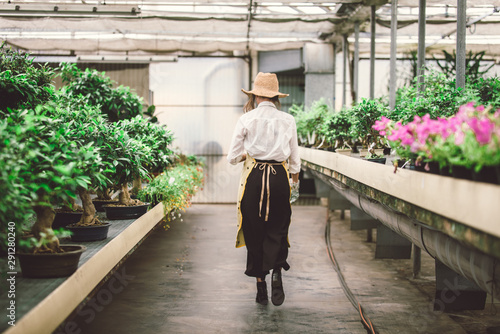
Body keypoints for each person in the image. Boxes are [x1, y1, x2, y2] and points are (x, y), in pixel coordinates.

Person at [227, 72, 300, 306]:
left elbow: (232, 157)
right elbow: (295, 161)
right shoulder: (288, 119)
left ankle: (260, 285)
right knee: (279, 226)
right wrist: (294, 185)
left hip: (255, 177)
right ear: (276, 97)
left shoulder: (246, 119)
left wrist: (248, 154)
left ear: (256, 95)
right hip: (279, 177)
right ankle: (277, 269)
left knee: (254, 229)